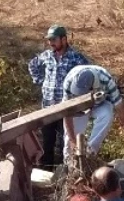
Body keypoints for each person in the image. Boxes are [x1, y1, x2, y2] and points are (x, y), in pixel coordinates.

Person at [28, 25, 89, 168]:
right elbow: (32, 65)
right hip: (48, 107)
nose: (51, 43)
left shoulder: (76, 58)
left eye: (54, 39)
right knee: (47, 143)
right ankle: (47, 173)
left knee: (64, 143)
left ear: (64, 39)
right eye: (49, 40)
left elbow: (88, 74)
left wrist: (78, 94)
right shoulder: (47, 55)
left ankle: (63, 174)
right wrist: (40, 80)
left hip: (66, 109)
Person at [61, 64, 124, 162]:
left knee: (107, 113)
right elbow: (67, 113)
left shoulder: (106, 80)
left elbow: (121, 111)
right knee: (69, 141)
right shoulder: (69, 81)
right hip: (77, 108)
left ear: (93, 88)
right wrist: (73, 142)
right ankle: (69, 164)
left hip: (99, 104)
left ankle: (90, 154)